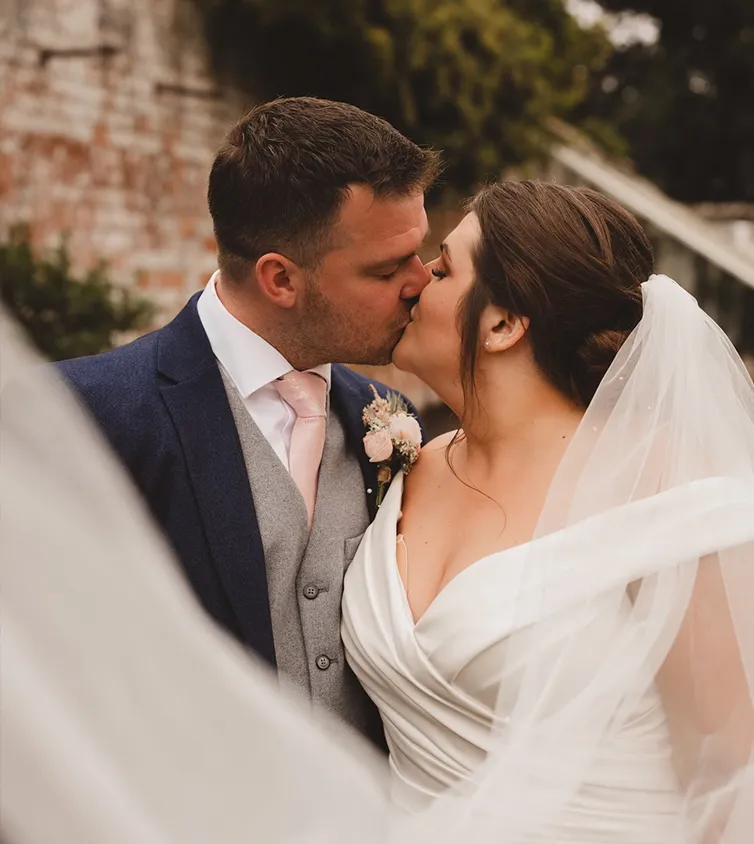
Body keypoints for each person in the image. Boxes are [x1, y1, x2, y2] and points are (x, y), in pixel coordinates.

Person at [342, 180, 754, 840]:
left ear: (503, 324)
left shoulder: (665, 492)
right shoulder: (414, 463)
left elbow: (730, 773)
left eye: (443, 269)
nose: (415, 281)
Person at [55, 96, 439, 744]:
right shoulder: (86, 413)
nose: (419, 282)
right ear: (280, 279)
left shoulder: (387, 419)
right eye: (385, 268)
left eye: (418, 253)